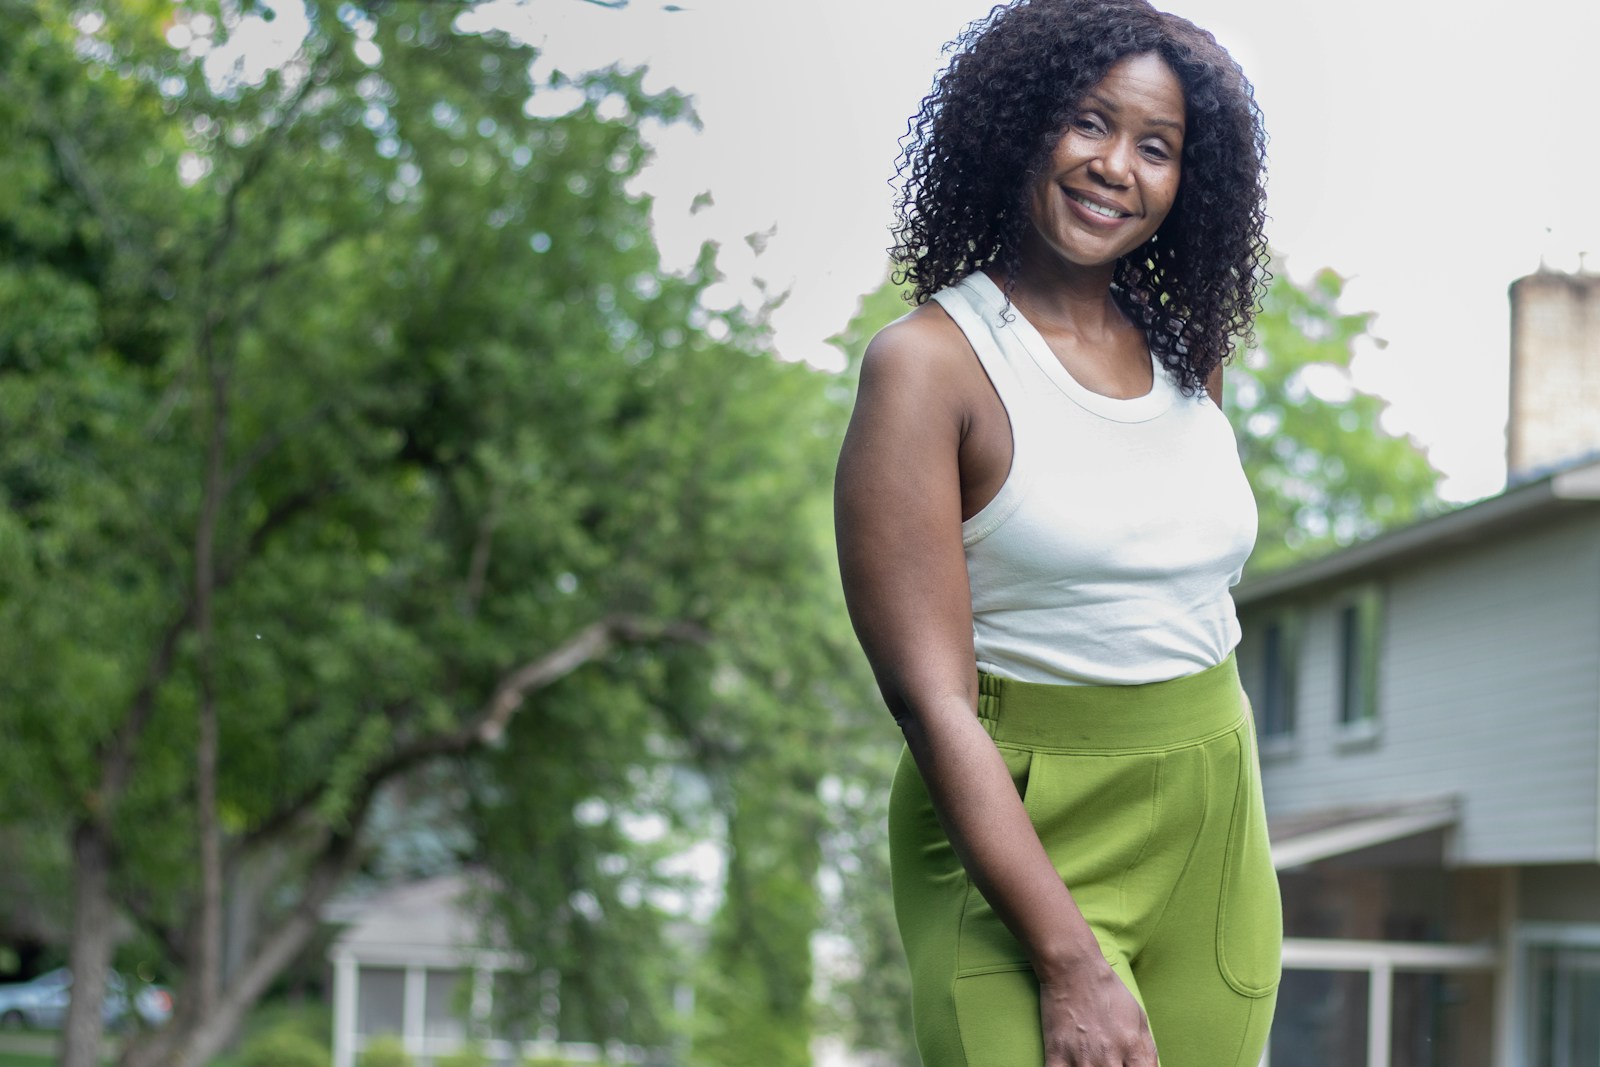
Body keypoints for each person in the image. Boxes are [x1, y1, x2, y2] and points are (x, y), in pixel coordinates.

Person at [832, 1, 1278, 1065]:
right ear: (1021, 123)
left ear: (1187, 183)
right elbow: (929, 700)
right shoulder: (928, 368)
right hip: (1016, 824)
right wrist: (1069, 959)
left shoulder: (1190, 356)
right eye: (1089, 122)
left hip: (1210, 813)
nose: (1115, 166)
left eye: (1156, 147)